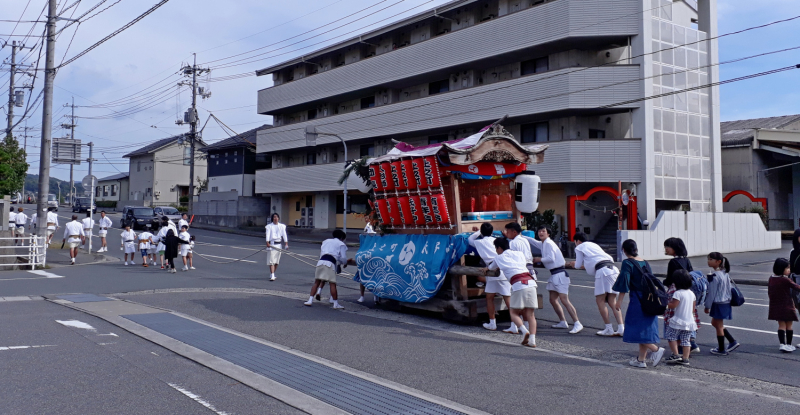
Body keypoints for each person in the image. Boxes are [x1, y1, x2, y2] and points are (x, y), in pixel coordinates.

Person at [613, 239, 666, 368]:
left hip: (638, 299)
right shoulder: (645, 262)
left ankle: (655, 349)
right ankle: (641, 360)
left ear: (624, 250)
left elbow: (624, 281)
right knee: (645, 329)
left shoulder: (627, 263)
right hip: (650, 299)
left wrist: (619, 301)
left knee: (635, 327)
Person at [525, 225, 582, 334]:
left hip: (559, 274)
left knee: (564, 300)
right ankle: (563, 321)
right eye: (539, 231)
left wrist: (539, 259)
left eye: (543, 231)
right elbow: (534, 242)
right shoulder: (543, 243)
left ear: (548, 233)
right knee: (553, 299)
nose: (541, 233)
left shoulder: (549, 243)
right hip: (554, 274)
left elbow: (551, 258)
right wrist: (522, 236)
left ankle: (577, 323)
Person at [484, 238, 538, 348]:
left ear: (499, 248)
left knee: (513, 312)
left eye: (496, 248)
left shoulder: (499, 257)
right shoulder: (519, 254)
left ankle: (524, 331)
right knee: (531, 314)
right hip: (531, 283)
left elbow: (490, 268)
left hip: (518, 284)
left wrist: (486, 269)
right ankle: (532, 339)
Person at [568, 232, 624, 336]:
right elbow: (594, 263)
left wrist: (573, 263)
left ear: (577, 241)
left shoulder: (580, 247)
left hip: (602, 272)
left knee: (600, 300)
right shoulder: (594, 245)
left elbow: (577, 265)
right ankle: (621, 328)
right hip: (613, 269)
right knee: (612, 301)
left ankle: (609, 328)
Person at [468, 223, 513, 330]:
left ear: (482, 232)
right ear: (492, 232)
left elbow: (470, 239)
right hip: (502, 268)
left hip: (491, 269)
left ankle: (492, 323)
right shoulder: (496, 240)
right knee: (507, 298)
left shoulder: (480, 242)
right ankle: (514, 324)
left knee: (489, 298)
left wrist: (478, 232)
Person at [304, 230, 355, 309]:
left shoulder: (326, 241)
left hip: (321, 261)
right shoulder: (341, 244)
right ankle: (335, 303)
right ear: (342, 237)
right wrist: (345, 262)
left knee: (317, 282)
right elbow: (343, 258)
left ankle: (310, 300)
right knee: (332, 283)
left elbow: (323, 253)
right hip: (330, 263)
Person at [704, 252, 738, 355]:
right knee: (715, 323)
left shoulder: (715, 276)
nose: (708, 261)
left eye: (710, 259)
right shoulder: (725, 273)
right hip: (726, 301)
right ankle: (732, 341)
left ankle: (722, 349)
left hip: (718, 303)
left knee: (718, 326)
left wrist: (707, 306)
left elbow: (711, 293)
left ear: (718, 262)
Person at [502, 222, 533, 334]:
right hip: (530, 271)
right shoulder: (524, 240)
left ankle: (515, 326)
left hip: (520, 272)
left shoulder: (513, 243)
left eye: (508, 231)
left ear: (514, 232)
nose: (506, 233)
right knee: (527, 302)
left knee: (515, 300)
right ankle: (526, 324)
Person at [663, 269, 698, 366]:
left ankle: (676, 354)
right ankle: (685, 358)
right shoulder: (691, 293)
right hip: (689, 321)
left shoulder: (678, 293)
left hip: (678, 320)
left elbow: (673, 305)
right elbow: (693, 308)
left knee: (671, 336)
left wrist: (665, 304)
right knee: (686, 340)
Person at [768, 258, 800, 352]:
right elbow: (797, 287)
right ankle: (789, 344)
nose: (789, 270)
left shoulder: (771, 278)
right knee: (789, 326)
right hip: (787, 305)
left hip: (776, 305)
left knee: (781, 325)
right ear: (781, 268)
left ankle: (782, 344)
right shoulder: (785, 280)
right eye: (787, 268)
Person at [265, 213, 288, 281]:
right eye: (274, 217)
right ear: (272, 218)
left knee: (276, 261)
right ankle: (272, 275)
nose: (275, 218)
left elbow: (284, 234)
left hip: (279, 245)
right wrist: (267, 242)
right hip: (272, 244)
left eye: (277, 217)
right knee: (271, 261)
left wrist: (286, 243)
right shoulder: (269, 226)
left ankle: (273, 273)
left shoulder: (282, 226)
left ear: (278, 218)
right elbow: (268, 235)